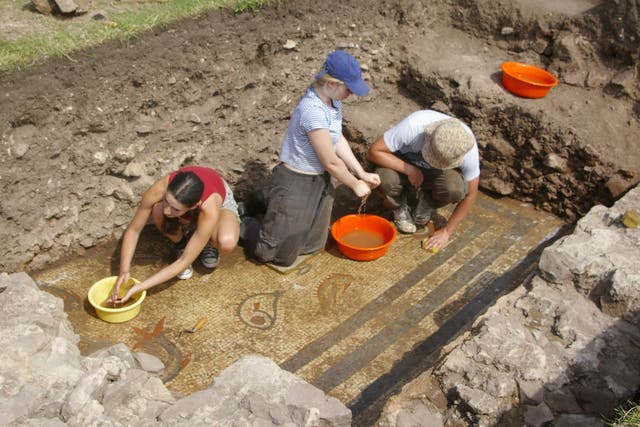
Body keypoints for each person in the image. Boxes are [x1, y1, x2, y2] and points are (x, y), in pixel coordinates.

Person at [241, 50, 381, 267]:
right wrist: (355, 184)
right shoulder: (312, 110)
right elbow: (331, 161)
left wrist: (360, 172)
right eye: (349, 89)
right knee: (277, 256)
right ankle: (245, 222)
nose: (352, 94)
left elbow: (337, 139)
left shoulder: (334, 101)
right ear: (332, 84)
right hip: (296, 179)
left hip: (320, 179)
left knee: (312, 245)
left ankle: (268, 203)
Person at [110, 165, 240, 304]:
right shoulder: (160, 187)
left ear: (194, 207)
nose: (167, 211)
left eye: (175, 209)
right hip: (190, 203)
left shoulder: (209, 208)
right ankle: (181, 243)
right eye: (166, 200)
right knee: (157, 210)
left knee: (226, 241)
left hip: (218, 198)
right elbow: (134, 230)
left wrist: (140, 287)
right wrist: (124, 271)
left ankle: (208, 241)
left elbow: (184, 261)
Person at [366, 110, 480, 252]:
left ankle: (427, 201)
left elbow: (471, 195)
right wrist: (409, 170)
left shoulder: (465, 147)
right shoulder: (414, 126)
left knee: (455, 189)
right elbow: (373, 152)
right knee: (384, 180)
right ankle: (398, 206)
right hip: (403, 163)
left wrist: (447, 231)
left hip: (436, 174)